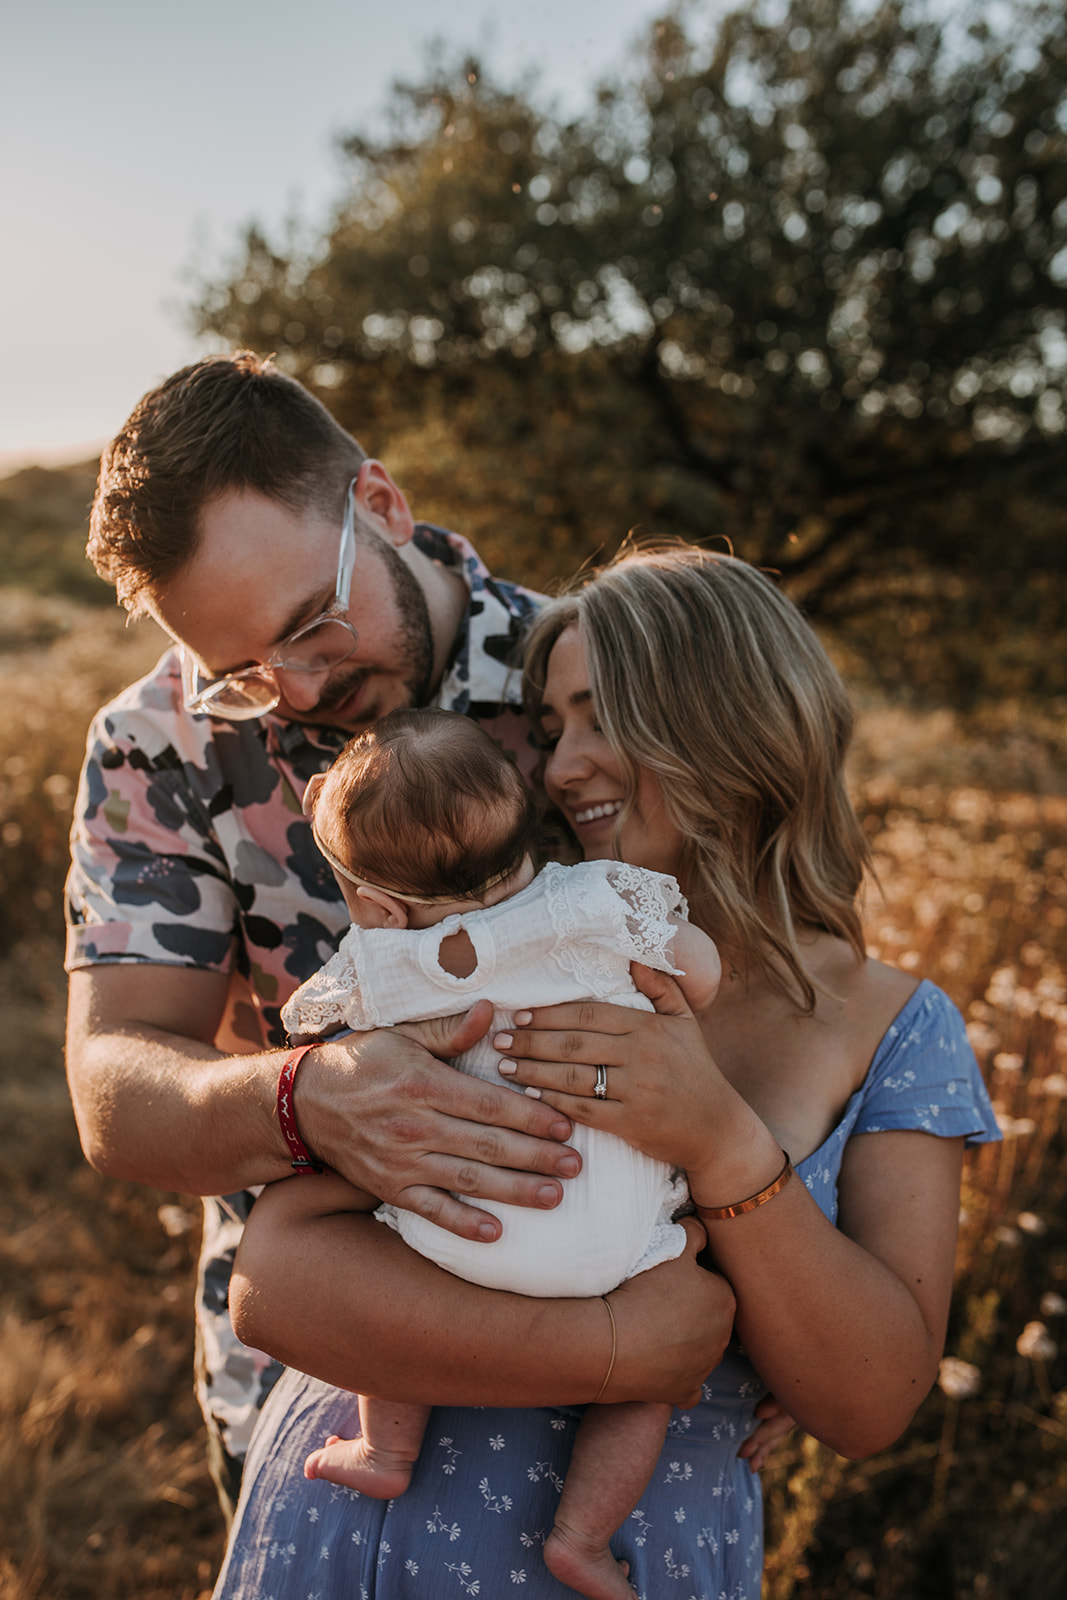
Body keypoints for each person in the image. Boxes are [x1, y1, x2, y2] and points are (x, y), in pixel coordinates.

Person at [211, 544, 1000, 1599]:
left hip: (637, 1559)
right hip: (356, 1539)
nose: (558, 766)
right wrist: (619, 1348)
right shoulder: (491, 961)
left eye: (597, 717)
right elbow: (275, 1282)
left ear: (727, 718)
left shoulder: (896, 1029)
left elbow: (868, 1403)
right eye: (550, 731)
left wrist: (719, 1142)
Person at [64, 354, 732, 1521]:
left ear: (381, 506)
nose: (298, 690)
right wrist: (304, 1096)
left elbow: (758, 982)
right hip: (324, 1377)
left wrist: (774, 1301)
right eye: (240, 676)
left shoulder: (587, 674)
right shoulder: (156, 743)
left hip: (642, 1366)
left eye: (315, 624)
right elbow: (116, 1083)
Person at [267, 705, 721, 1599]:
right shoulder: (594, 899)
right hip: (612, 1246)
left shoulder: (383, 953)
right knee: (646, 1387)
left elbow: (305, 1027)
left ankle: (387, 1449)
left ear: (380, 900)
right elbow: (697, 970)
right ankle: (581, 1538)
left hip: (458, 1238)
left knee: (390, 1317)